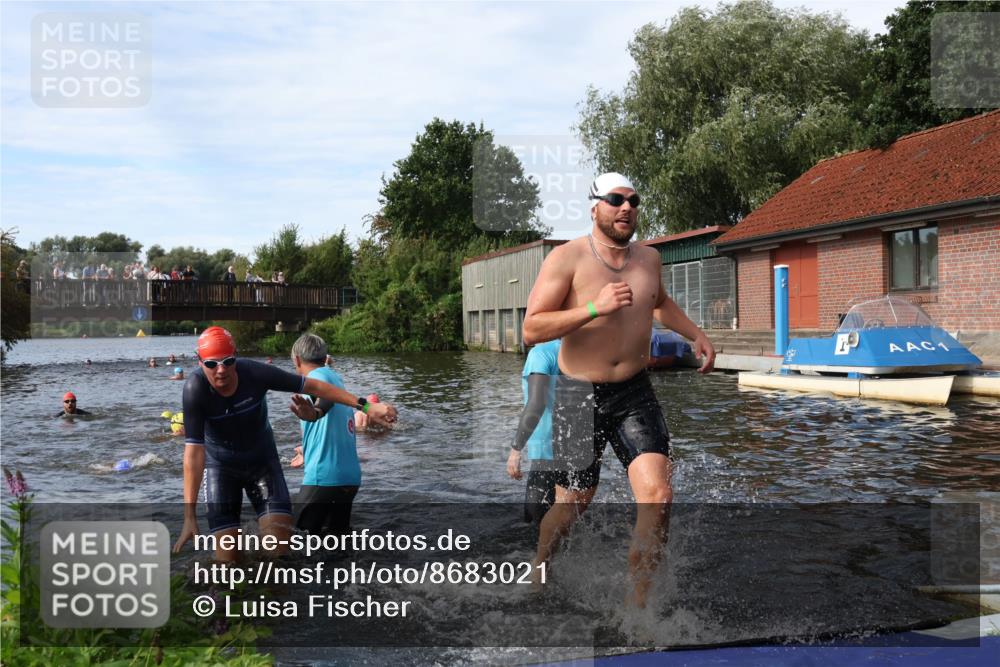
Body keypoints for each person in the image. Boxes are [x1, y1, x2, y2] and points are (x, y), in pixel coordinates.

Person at [521, 172, 716, 607]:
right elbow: (532, 328)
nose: (626, 207)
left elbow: (660, 302)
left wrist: (695, 334)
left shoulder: (649, 259)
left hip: (634, 391)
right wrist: (594, 307)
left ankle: (637, 608)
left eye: (633, 200)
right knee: (573, 503)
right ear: (595, 207)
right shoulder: (567, 258)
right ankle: (541, 565)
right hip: (576, 395)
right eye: (615, 199)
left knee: (658, 496)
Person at [172, 326, 397, 562]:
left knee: (280, 555)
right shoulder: (195, 389)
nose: (221, 370)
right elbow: (193, 454)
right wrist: (189, 516)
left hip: (262, 465)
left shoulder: (254, 373)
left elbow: (316, 387)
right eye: (211, 364)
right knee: (228, 564)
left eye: (228, 362)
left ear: (236, 356)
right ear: (200, 362)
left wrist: (367, 407)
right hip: (221, 470)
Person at [285, 334, 366, 537]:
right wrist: (307, 448)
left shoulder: (316, 379)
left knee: (296, 542)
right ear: (324, 358)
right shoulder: (334, 377)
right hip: (349, 478)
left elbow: (324, 399)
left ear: (297, 360)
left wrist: (316, 412)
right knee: (336, 545)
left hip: (324, 478)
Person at [506, 339, 561, 524]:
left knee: (534, 521)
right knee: (568, 515)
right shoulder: (579, 348)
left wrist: (516, 449)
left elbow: (536, 403)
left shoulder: (541, 354)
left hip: (547, 451)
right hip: (579, 447)